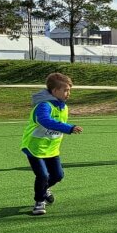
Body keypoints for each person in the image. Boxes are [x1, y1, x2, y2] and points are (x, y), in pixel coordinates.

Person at [21, 72, 83, 216]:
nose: (69, 93)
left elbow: (58, 122)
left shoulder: (63, 107)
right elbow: (45, 121)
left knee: (58, 175)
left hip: (51, 149)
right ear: (55, 91)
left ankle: (44, 189)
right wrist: (69, 128)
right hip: (34, 147)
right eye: (66, 90)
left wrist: (67, 126)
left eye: (69, 90)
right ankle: (39, 201)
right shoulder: (44, 106)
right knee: (42, 175)